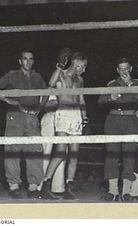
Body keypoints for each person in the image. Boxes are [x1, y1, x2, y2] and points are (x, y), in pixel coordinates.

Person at [0, 50, 48, 199]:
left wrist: (40, 108)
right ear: (20, 61)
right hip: (15, 116)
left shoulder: (37, 76)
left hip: (32, 117)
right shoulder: (12, 75)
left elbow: (46, 92)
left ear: (33, 61)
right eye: (25, 59)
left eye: (30, 59)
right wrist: (9, 101)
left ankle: (33, 187)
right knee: (12, 151)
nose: (28, 62)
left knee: (35, 150)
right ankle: (14, 186)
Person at [40, 50, 88, 200]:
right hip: (63, 113)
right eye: (83, 66)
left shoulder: (80, 80)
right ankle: (45, 184)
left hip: (76, 116)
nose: (84, 69)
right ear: (76, 64)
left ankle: (69, 187)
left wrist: (85, 117)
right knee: (60, 152)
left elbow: (81, 100)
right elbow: (51, 84)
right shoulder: (61, 75)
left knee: (74, 154)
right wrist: (60, 66)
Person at [98, 57, 138, 202]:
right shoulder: (111, 84)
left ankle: (126, 192)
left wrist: (130, 84)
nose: (124, 71)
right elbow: (100, 101)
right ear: (117, 70)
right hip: (113, 120)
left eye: (126, 68)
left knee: (129, 156)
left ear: (130, 69)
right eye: (121, 69)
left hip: (131, 120)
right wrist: (110, 98)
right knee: (111, 155)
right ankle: (112, 191)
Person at [40, 48, 73, 196]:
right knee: (46, 151)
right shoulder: (53, 76)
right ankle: (40, 187)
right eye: (63, 58)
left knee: (62, 152)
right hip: (50, 116)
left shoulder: (70, 79)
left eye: (67, 59)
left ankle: (58, 188)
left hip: (65, 117)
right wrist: (59, 66)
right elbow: (45, 100)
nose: (65, 61)